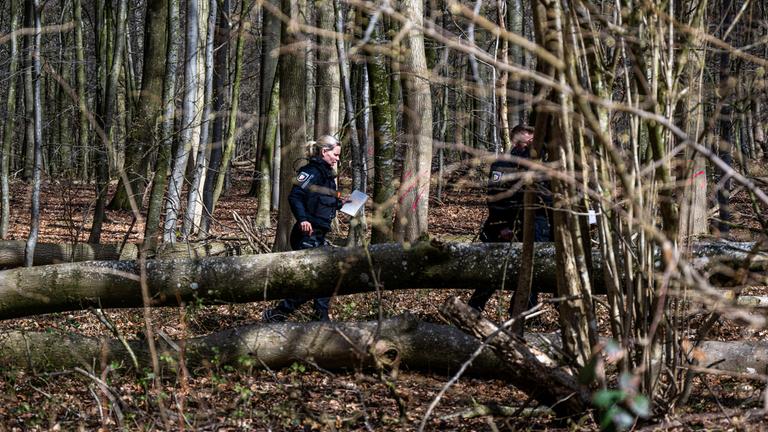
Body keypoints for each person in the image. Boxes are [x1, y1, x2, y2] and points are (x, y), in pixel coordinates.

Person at [469, 125, 552, 312]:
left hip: (538, 224)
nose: (532, 137)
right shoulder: (503, 163)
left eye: (533, 133)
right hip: (508, 224)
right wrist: (501, 226)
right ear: (516, 137)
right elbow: (496, 196)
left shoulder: (541, 162)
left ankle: (523, 311)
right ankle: (475, 307)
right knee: (498, 268)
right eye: (528, 133)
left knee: (534, 267)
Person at [263, 135, 345, 322]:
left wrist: (341, 202)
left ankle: (320, 317)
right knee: (315, 280)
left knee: (325, 276)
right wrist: (303, 219)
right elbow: (295, 196)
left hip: (319, 234)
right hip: (306, 234)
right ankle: (278, 312)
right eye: (335, 154)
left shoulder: (327, 176)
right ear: (324, 152)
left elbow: (325, 200)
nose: (337, 159)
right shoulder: (310, 172)